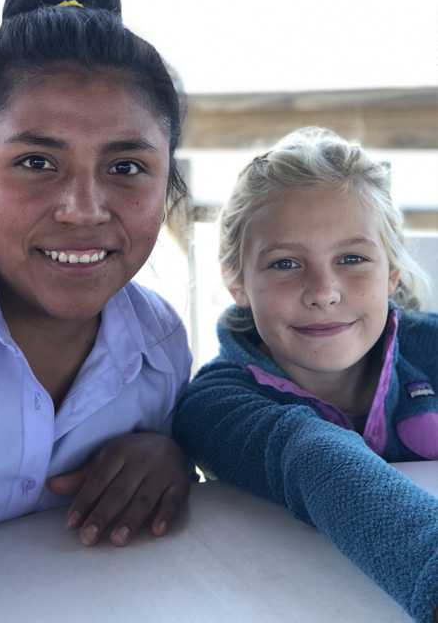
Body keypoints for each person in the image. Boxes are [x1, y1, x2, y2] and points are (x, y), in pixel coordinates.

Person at [0, 0, 192, 549]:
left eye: (126, 167)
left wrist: (170, 456)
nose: (83, 210)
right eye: (36, 162)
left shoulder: (159, 348)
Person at [174, 127, 438, 623]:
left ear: (391, 273)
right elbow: (312, 457)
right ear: (237, 282)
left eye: (352, 259)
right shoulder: (213, 405)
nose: (323, 291)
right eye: (286, 263)